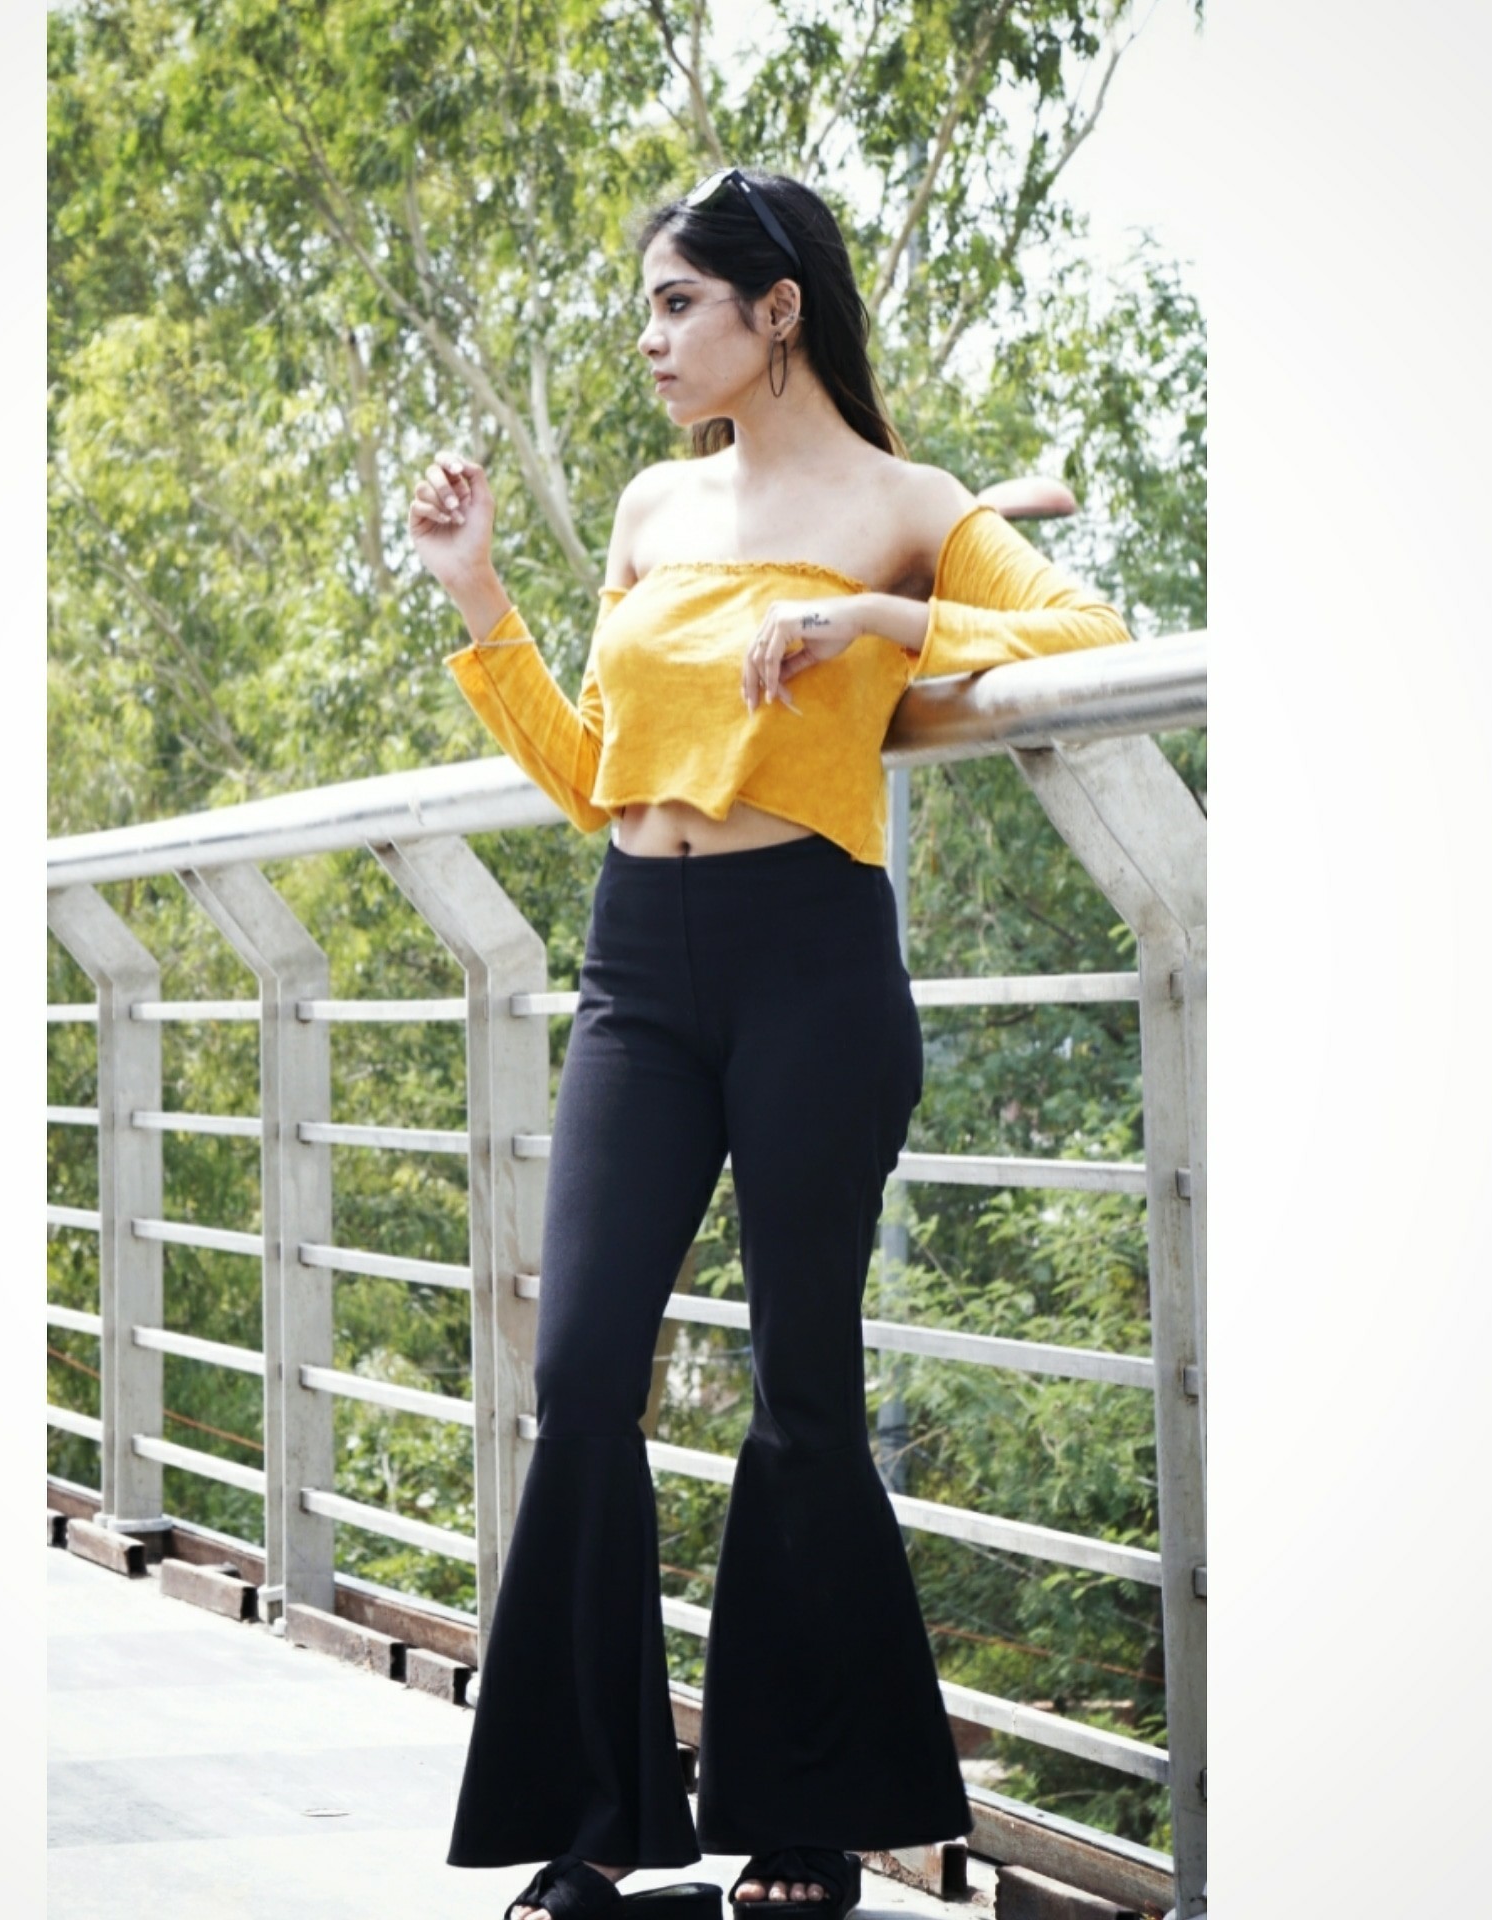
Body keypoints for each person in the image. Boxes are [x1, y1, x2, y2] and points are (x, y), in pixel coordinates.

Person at [408, 165, 1131, 1920]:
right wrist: (481, 596)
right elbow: (595, 774)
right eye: (649, 308)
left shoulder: (906, 504)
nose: (652, 340)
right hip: (636, 973)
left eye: (678, 304)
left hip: (811, 960)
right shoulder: (654, 507)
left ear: (775, 308)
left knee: (804, 1385)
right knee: (585, 1372)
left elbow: (1088, 636)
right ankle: (596, 1819)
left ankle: (809, 1825)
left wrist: (878, 621)